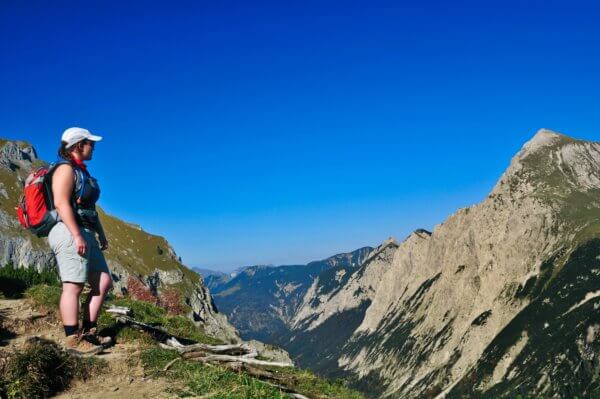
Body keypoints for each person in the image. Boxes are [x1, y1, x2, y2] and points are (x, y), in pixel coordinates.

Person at [48, 127, 113, 355]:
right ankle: (72, 339)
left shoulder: (81, 171)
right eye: (90, 143)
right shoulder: (65, 169)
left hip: (86, 230)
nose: (93, 147)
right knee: (73, 285)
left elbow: (89, 208)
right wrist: (76, 235)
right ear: (78, 146)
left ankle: (89, 332)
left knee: (103, 282)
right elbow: (61, 204)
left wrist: (101, 233)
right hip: (68, 231)